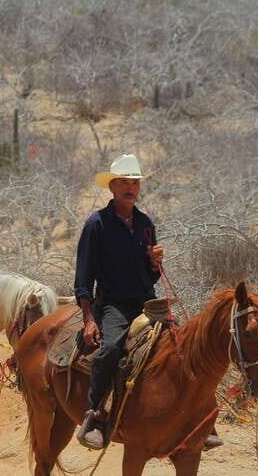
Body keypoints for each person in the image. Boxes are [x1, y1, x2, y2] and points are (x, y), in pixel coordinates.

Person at [73, 154, 223, 451]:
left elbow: (150, 277)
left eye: (134, 183)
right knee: (111, 350)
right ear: (113, 186)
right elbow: (83, 276)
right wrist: (89, 318)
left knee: (188, 346)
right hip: (114, 304)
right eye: (125, 183)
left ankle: (203, 417)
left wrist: (154, 263)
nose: (130, 188)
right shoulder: (97, 225)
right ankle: (95, 415)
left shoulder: (144, 223)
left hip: (147, 302)